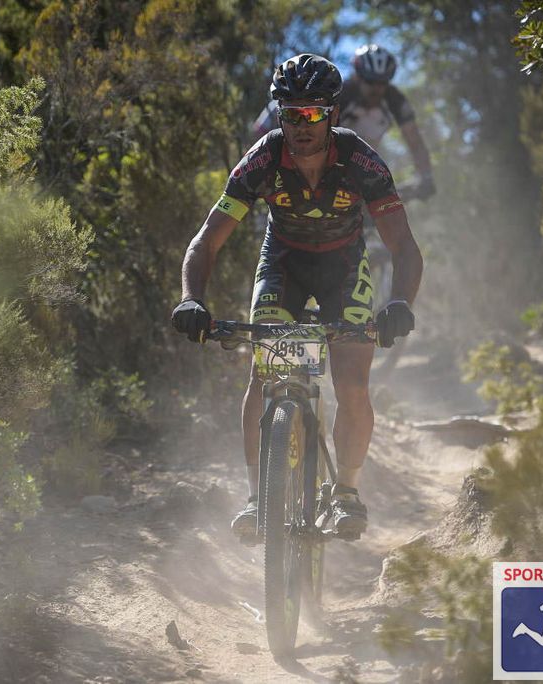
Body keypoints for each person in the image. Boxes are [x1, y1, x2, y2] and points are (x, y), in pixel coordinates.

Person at [172, 54, 423, 541]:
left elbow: (404, 246)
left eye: (312, 114)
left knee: (352, 383)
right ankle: (257, 497)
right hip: (284, 263)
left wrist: (399, 304)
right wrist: (191, 299)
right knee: (262, 374)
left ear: (333, 113)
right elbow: (206, 241)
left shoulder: (362, 161)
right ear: (279, 115)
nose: (301, 126)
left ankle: (346, 491)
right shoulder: (263, 159)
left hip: (343, 267)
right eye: (290, 114)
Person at [251, 44, 435, 201]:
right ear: (358, 77)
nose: (377, 89)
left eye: (382, 82)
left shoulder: (395, 100)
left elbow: (414, 140)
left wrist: (425, 176)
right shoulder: (342, 96)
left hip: (361, 167)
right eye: (370, 82)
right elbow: (321, 139)